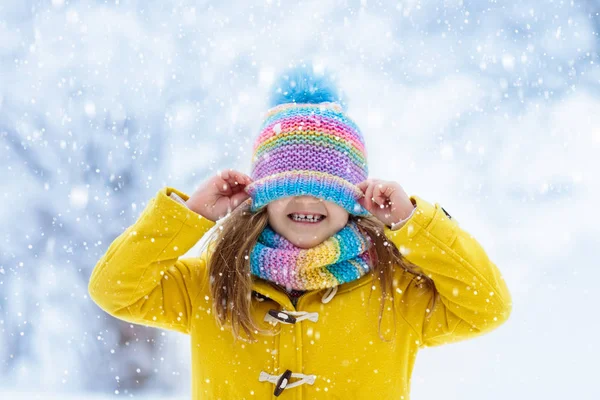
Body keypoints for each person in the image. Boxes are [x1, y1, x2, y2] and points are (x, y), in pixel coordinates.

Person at [88, 64, 512, 399]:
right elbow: (114, 288)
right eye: (288, 188)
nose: (307, 202)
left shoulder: (392, 290)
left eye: (327, 190)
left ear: (354, 202)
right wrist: (191, 215)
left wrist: (412, 224)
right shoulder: (214, 284)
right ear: (263, 199)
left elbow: (487, 304)